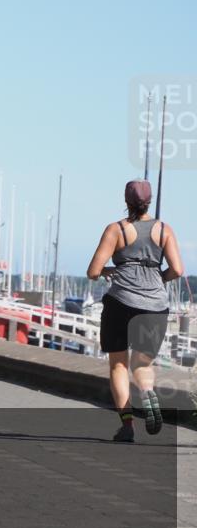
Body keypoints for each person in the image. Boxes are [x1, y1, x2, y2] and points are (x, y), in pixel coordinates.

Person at [87, 179, 184, 442]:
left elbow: (93, 271)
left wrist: (108, 270)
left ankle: (127, 425)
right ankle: (149, 392)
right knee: (142, 363)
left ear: (126, 200)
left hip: (121, 303)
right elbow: (177, 269)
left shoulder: (116, 229)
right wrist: (158, 279)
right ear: (149, 200)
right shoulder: (164, 230)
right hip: (155, 306)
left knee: (118, 364)